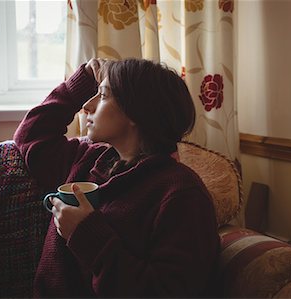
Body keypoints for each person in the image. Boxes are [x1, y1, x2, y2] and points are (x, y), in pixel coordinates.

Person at [14, 58, 220, 297]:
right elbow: (31, 136)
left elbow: (166, 291)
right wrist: (77, 85)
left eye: (102, 96)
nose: (86, 106)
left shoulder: (181, 194)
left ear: (135, 111)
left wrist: (85, 234)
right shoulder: (89, 159)